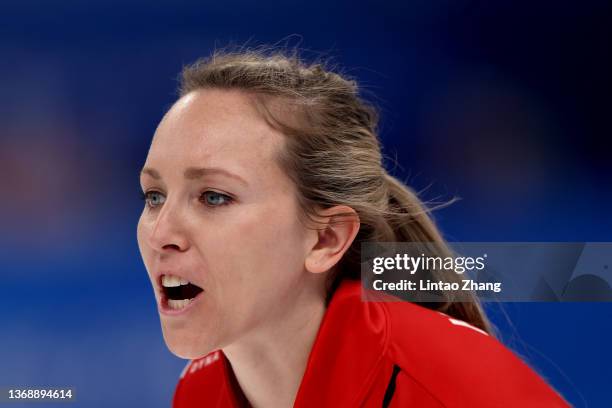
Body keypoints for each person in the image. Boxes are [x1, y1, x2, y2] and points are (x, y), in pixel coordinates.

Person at [136, 46, 569, 407]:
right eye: (154, 196)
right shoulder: (199, 393)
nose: (160, 233)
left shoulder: (441, 388)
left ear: (327, 239)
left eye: (214, 197)